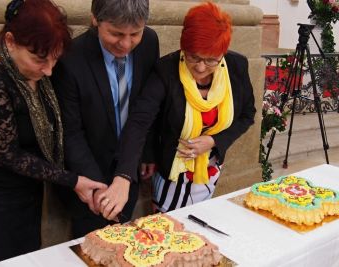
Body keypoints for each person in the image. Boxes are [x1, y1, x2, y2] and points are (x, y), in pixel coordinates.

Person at [0, 0, 107, 266]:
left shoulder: (33, 66)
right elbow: (9, 155)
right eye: (39, 60)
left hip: (23, 191)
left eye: (55, 59)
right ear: (10, 41)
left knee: (26, 258)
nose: (48, 71)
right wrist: (72, 180)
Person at [107, 2, 256, 214]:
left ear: (222, 54)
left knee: (201, 220)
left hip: (209, 168)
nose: (201, 67)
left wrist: (214, 141)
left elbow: (247, 115)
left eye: (211, 60)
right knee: (169, 225)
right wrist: (124, 174)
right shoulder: (166, 70)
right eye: (193, 57)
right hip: (172, 168)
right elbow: (141, 121)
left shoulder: (236, 66)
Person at [52, 0, 159, 237]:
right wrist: (98, 187)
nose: (126, 44)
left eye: (135, 34)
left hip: (131, 165)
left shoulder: (150, 42)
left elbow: (147, 107)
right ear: (95, 20)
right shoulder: (71, 57)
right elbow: (71, 131)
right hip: (89, 173)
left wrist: (146, 153)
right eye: (116, 33)